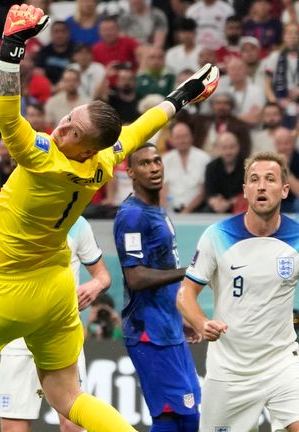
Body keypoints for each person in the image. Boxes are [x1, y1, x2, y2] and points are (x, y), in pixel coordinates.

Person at [0, 5, 219, 431]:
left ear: (85, 147)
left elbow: (3, 113)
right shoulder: (102, 163)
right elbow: (141, 128)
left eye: (73, 131)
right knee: (68, 397)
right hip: (57, 287)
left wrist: (12, 44)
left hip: (11, 286)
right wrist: (182, 96)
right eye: (69, 118)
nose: (62, 128)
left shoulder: (41, 160)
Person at [178, 151, 299, 431]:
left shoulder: (296, 237)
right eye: (254, 180)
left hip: (282, 362)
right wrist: (202, 322)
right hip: (229, 371)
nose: (261, 186)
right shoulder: (217, 235)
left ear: (284, 190)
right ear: (245, 190)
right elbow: (185, 294)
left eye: (270, 179)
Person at [0, 215, 110, 432]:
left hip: (61, 336)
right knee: (13, 428)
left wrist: (95, 285)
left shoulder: (77, 223)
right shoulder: (5, 219)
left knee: (73, 424)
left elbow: (102, 275)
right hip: (17, 339)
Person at [113, 143, 201, 431]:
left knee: (189, 416)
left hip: (168, 326)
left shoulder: (157, 210)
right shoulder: (132, 216)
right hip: (149, 333)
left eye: (157, 161)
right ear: (130, 172)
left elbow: (161, 270)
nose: (153, 168)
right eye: (144, 164)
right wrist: (189, 272)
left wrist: (181, 317)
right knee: (169, 416)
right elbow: (136, 278)